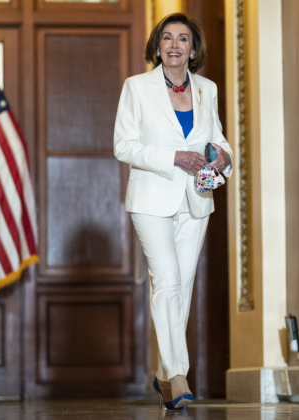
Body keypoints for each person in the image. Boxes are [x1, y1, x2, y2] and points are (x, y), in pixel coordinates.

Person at [113, 13, 233, 409]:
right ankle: (178, 374)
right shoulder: (137, 87)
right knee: (166, 280)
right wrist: (175, 157)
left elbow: (219, 141)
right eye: (167, 38)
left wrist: (220, 160)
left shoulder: (207, 90)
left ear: (193, 49)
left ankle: (164, 378)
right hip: (151, 199)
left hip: (196, 199)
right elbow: (124, 146)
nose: (175, 45)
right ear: (158, 46)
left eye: (183, 38)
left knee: (181, 287)